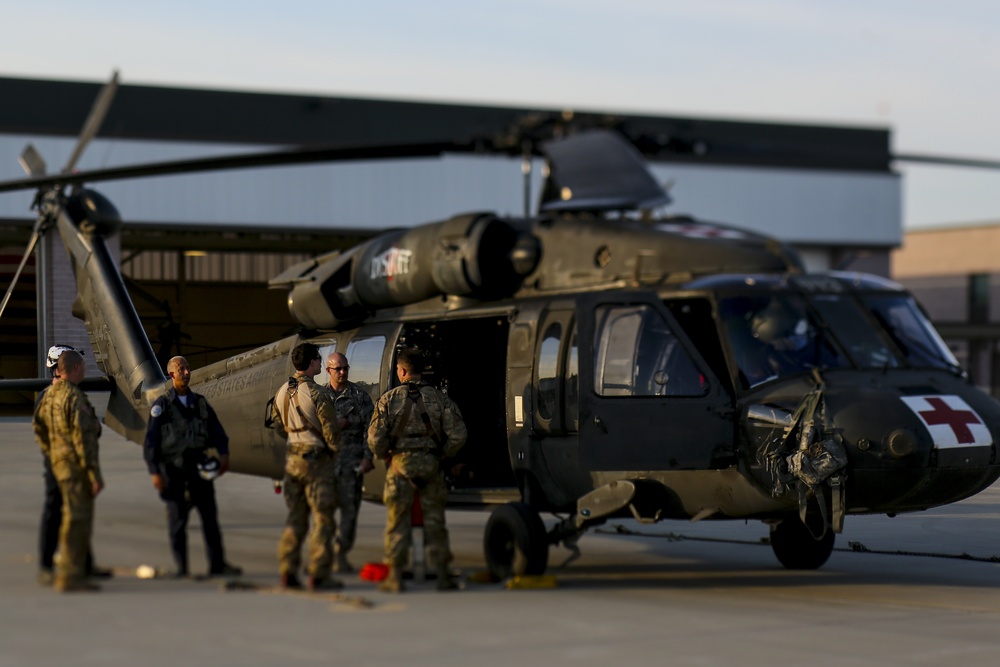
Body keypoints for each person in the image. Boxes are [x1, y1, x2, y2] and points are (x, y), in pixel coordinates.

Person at [368, 348, 467, 593]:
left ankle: (395, 577)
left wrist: (386, 457)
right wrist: (444, 454)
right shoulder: (439, 398)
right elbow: (459, 434)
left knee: (397, 524)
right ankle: (443, 575)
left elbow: (374, 439)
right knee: (435, 523)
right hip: (431, 466)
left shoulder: (389, 399)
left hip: (400, 468)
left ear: (401, 371)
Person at [143, 356, 242, 578]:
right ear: (171, 375)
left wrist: (224, 454)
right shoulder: (162, 406)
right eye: (181, 369)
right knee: (178, 520)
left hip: (199, 468)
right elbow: (152, 441)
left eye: (187, 369)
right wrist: (155, 472)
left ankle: (218, 564)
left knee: (210, 518)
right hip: (174, 470)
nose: (186, 373)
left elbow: (216, 430)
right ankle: (182, 567)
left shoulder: (200, 403)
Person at [36, 345, 112, 585]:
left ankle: (84, 565)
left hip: (59, 462)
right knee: (68, 515)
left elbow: (39, 430)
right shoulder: (65, 395)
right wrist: (92, 473)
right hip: (66, 465)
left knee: (77, 516)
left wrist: (53, 453)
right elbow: (83, 438)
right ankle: (57, 568)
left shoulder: (51, 395)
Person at [271, 342, 342, 591]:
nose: (321, 363)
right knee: (323, 520)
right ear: (311, 362)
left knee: (296, 519)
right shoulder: (318, 393)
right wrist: (334, 451)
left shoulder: (281, 392)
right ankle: (318, 574)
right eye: (318, 359)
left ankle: (287, 570)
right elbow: (331, 433)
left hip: (293, 462)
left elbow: (280, 428)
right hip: (316, 462)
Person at [325, 352, 375, 574]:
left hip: (351, 463)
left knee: (350, 512)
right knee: (322, 513)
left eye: (346, 368)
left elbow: (370, 431)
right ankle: (322, 555)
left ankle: (340, 553)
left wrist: (367, 457)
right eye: (338, 369)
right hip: (325, 465)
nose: (343, 372)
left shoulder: (359, 396)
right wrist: (334, 425)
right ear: (328, 371)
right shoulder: (319, 397)